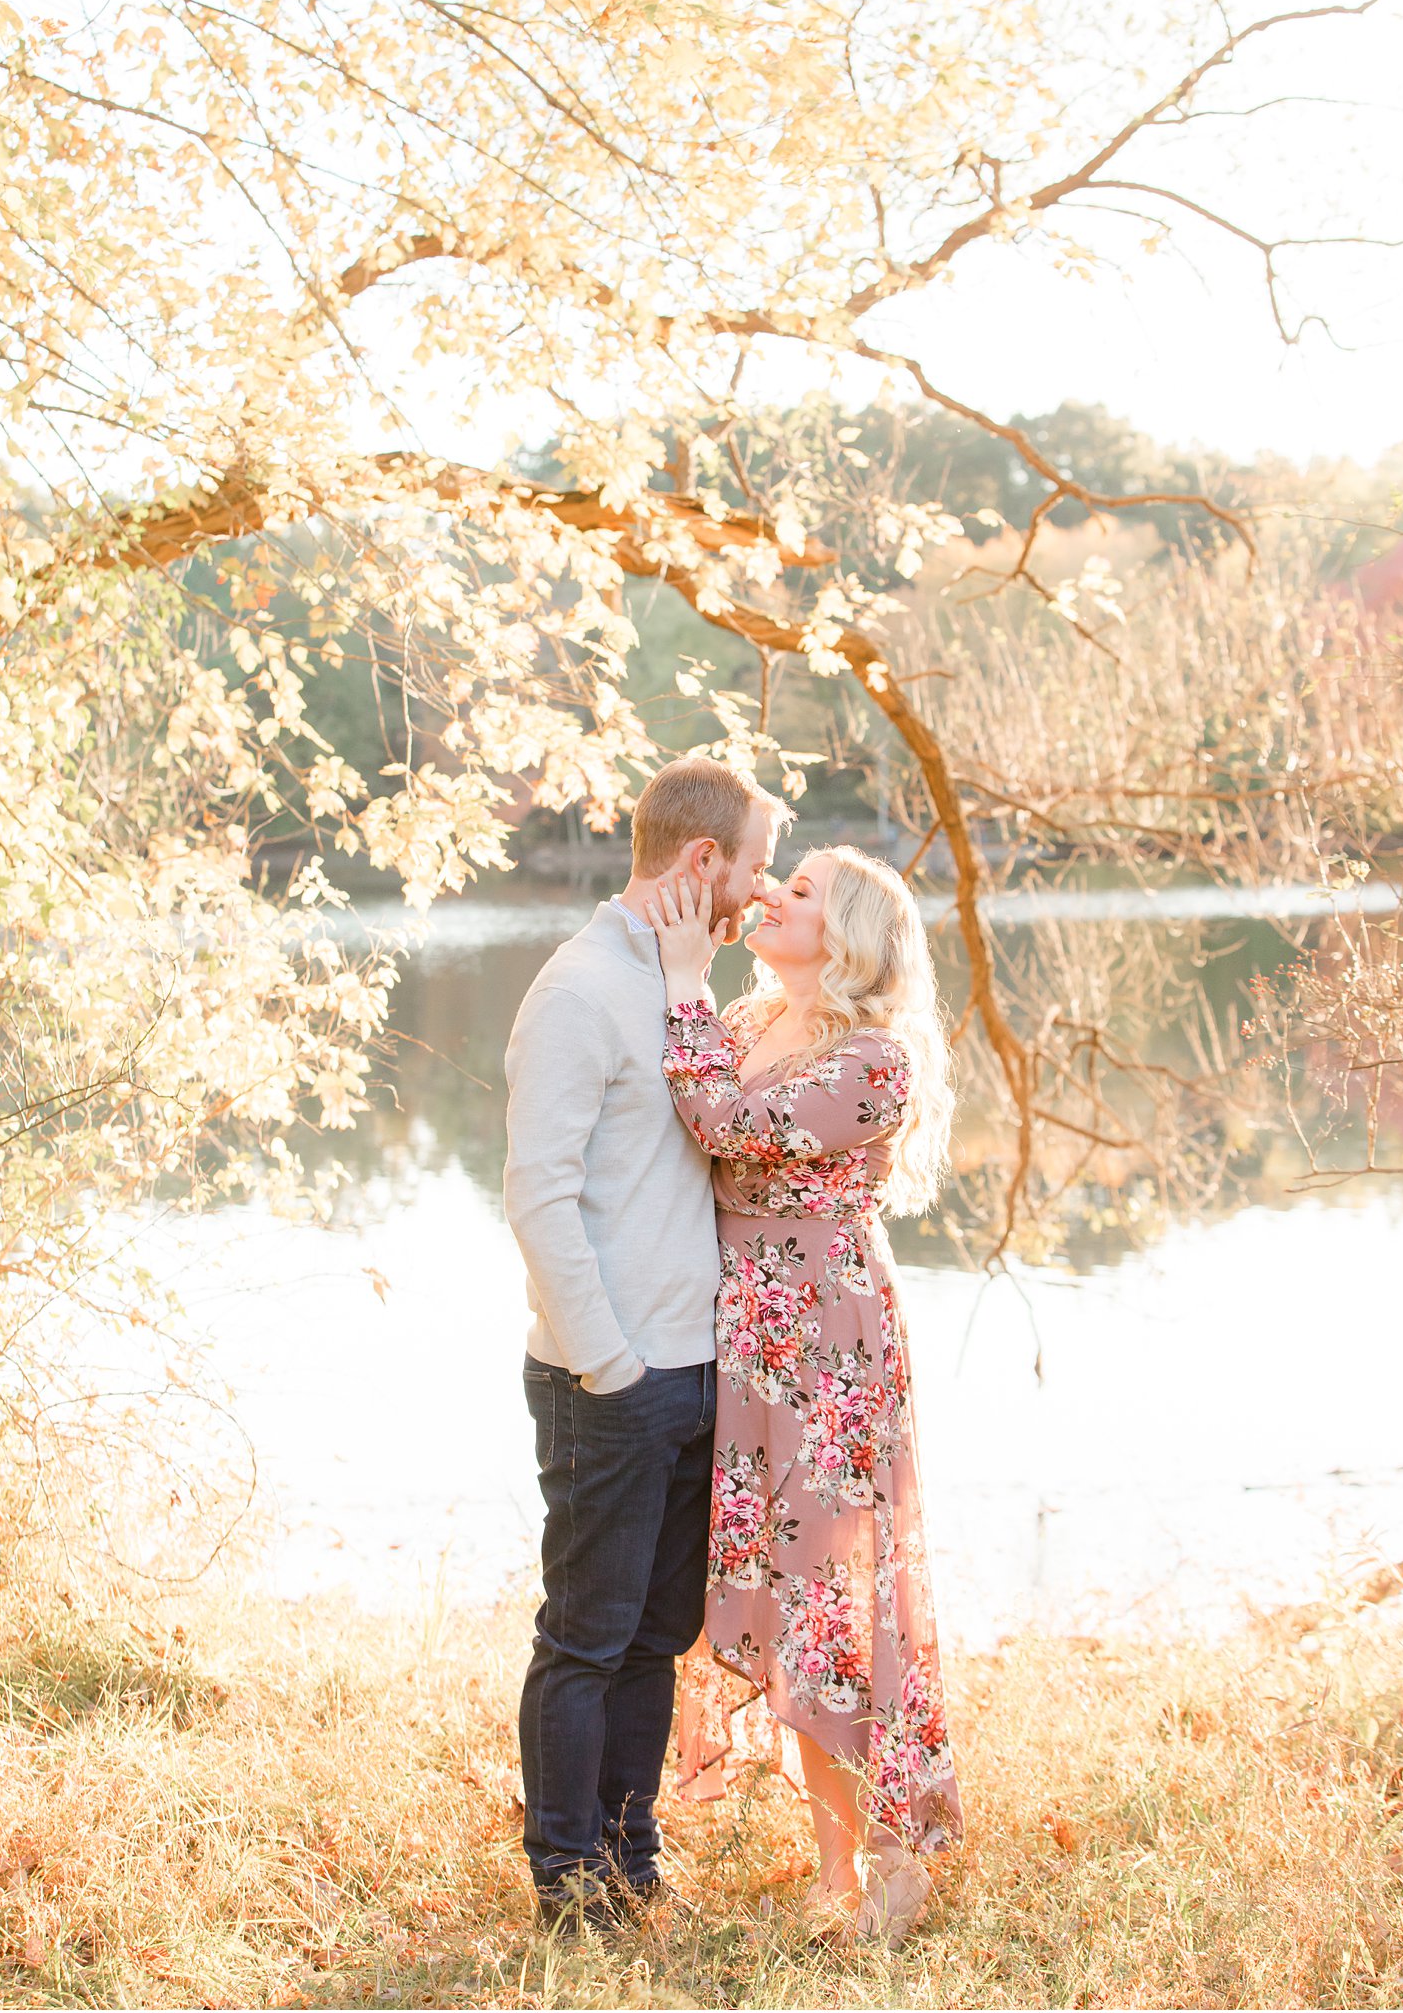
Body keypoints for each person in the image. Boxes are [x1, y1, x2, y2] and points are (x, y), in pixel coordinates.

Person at [645, 845, 964, 1947]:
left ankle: (872, 1867)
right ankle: (834, 1865)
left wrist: (682, 981)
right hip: (745, 1332)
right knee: (779, 1591)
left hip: (827, 1339)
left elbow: (725, 1129)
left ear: (851, 936)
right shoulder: (742, 1025)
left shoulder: (875, 1060)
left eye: (800, 892)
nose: (770, 898)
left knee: (831, 1594)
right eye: (776, 882)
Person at [503, 758, 789, 1928]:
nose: (764, 893)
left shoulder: (684, 988)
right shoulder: (578, 991)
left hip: (693, 1373)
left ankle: (630, 1857)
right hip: (607, 1378)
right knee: (585, 1638)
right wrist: (607, 1363)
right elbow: (538, 1195)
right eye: (759, 866)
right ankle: (563, 1883)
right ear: (701, 863)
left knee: (654, 1636)